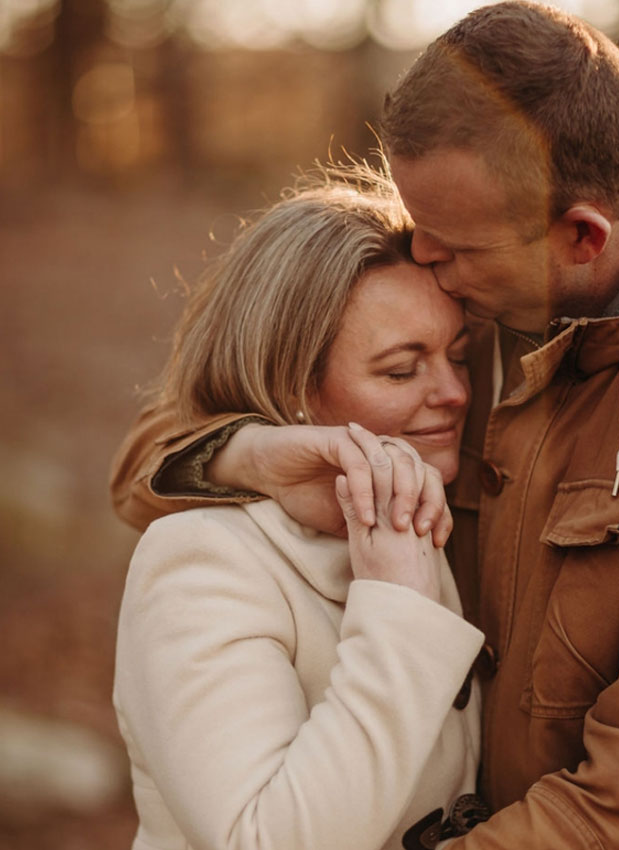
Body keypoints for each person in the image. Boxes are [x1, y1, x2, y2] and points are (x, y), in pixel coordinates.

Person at [110, 3, 619, 848]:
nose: (423, 259)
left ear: (580, 235)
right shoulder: (485, 294)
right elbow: (149, 457)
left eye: (449, 246)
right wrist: (259, 451)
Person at [112, 166, 490, 850]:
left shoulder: (446, 510)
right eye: (401, 369)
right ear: (294, 391)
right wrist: (399, 607)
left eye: (458, 358)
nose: (454, 393)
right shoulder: (204, 563)